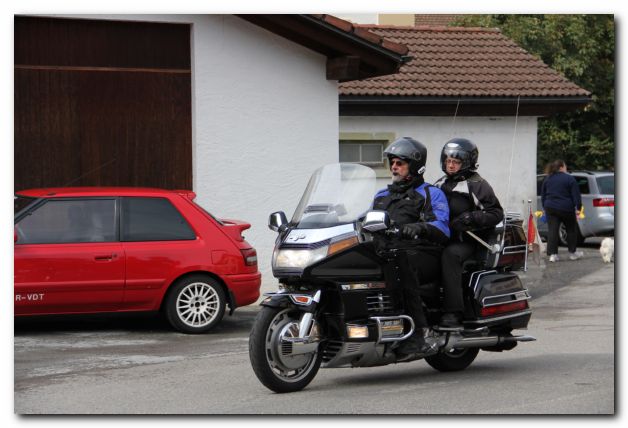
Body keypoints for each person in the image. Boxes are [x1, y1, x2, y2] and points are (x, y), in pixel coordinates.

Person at [372, 137, 450, 356]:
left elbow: (442, 227)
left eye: (400, 163)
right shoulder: (381, 196)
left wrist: (419, 227)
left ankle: (418, 335)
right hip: (388, 251)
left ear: (414, 167)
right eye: (392, 163)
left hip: (422, 252)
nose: (394, 167)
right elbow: (365, 219)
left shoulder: (430, 193)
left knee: (400, 266)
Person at [434, 138, 504, 328]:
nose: (450, 165)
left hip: (470, 241)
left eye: (455, 162)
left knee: (450, 256)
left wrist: (469, 219)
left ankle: (453, 311)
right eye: (448, 161)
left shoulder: (477, 184)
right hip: (443, 237)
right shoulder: (440, 183)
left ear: (467, 162)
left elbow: (496, 213)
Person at [541, 159, 583, 262]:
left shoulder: (548, 179)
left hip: (550, 208)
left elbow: (543, 195)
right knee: (571, 229)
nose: (566, 168)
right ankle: (572, 253)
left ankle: (553, 255)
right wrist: (578, 208)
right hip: (566, 208)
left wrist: (545, 208)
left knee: (552, 230)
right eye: (565, 166)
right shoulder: (569, 179)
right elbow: (576, 196)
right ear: (561, 167)